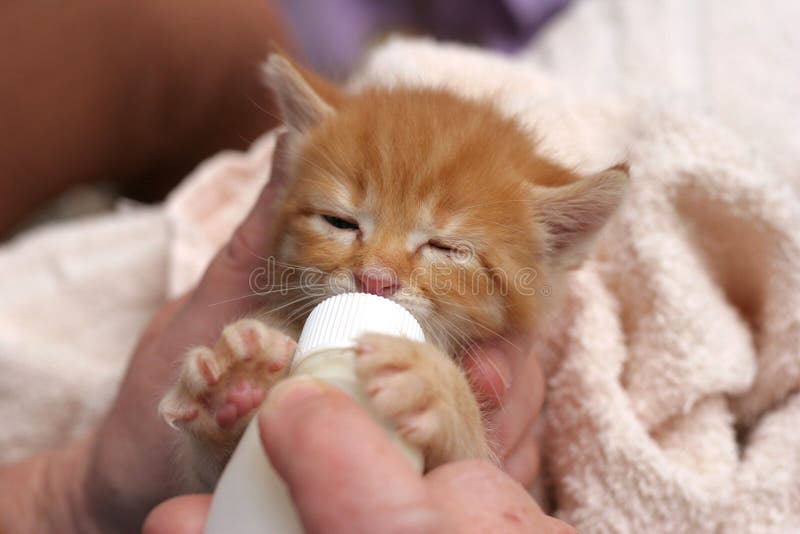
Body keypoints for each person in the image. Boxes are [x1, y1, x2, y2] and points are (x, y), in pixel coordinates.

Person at [0, 1, 572, 532]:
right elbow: (223, 483)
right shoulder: (272, 333)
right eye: (340, 222)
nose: (375, 274)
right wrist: (88, 489)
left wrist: (453, 410)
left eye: (445, 249)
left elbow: (473, 473)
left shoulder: (505, 323)